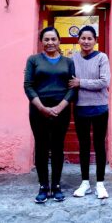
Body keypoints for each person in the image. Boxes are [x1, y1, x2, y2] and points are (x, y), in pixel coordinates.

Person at [24, 26, 76, 204]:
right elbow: (28, 85)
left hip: (61, 111)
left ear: (59, 41)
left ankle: (57, 186)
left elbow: (72, 88)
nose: (50, 43)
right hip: (38, 111)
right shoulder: (33, 60)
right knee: (41, 147)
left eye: (53, 39)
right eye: (46, 39)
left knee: (57, 148)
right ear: (41, 42)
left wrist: (60, 107)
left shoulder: (68, 62)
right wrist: (42, 107)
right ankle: (43, 186)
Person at [69, 25, 111, 199]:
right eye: (83, 38)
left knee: (99, 145)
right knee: (84, 146)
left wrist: (81, 83)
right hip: (80, 108)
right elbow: (70, 82)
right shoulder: (73, 59)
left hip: (100, 108)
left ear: (95, 41)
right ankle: (85, 182)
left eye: (89, 38)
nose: (86, 41)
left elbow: (104, 81)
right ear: (78, 40)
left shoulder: (102, 57)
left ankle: (100, 183)